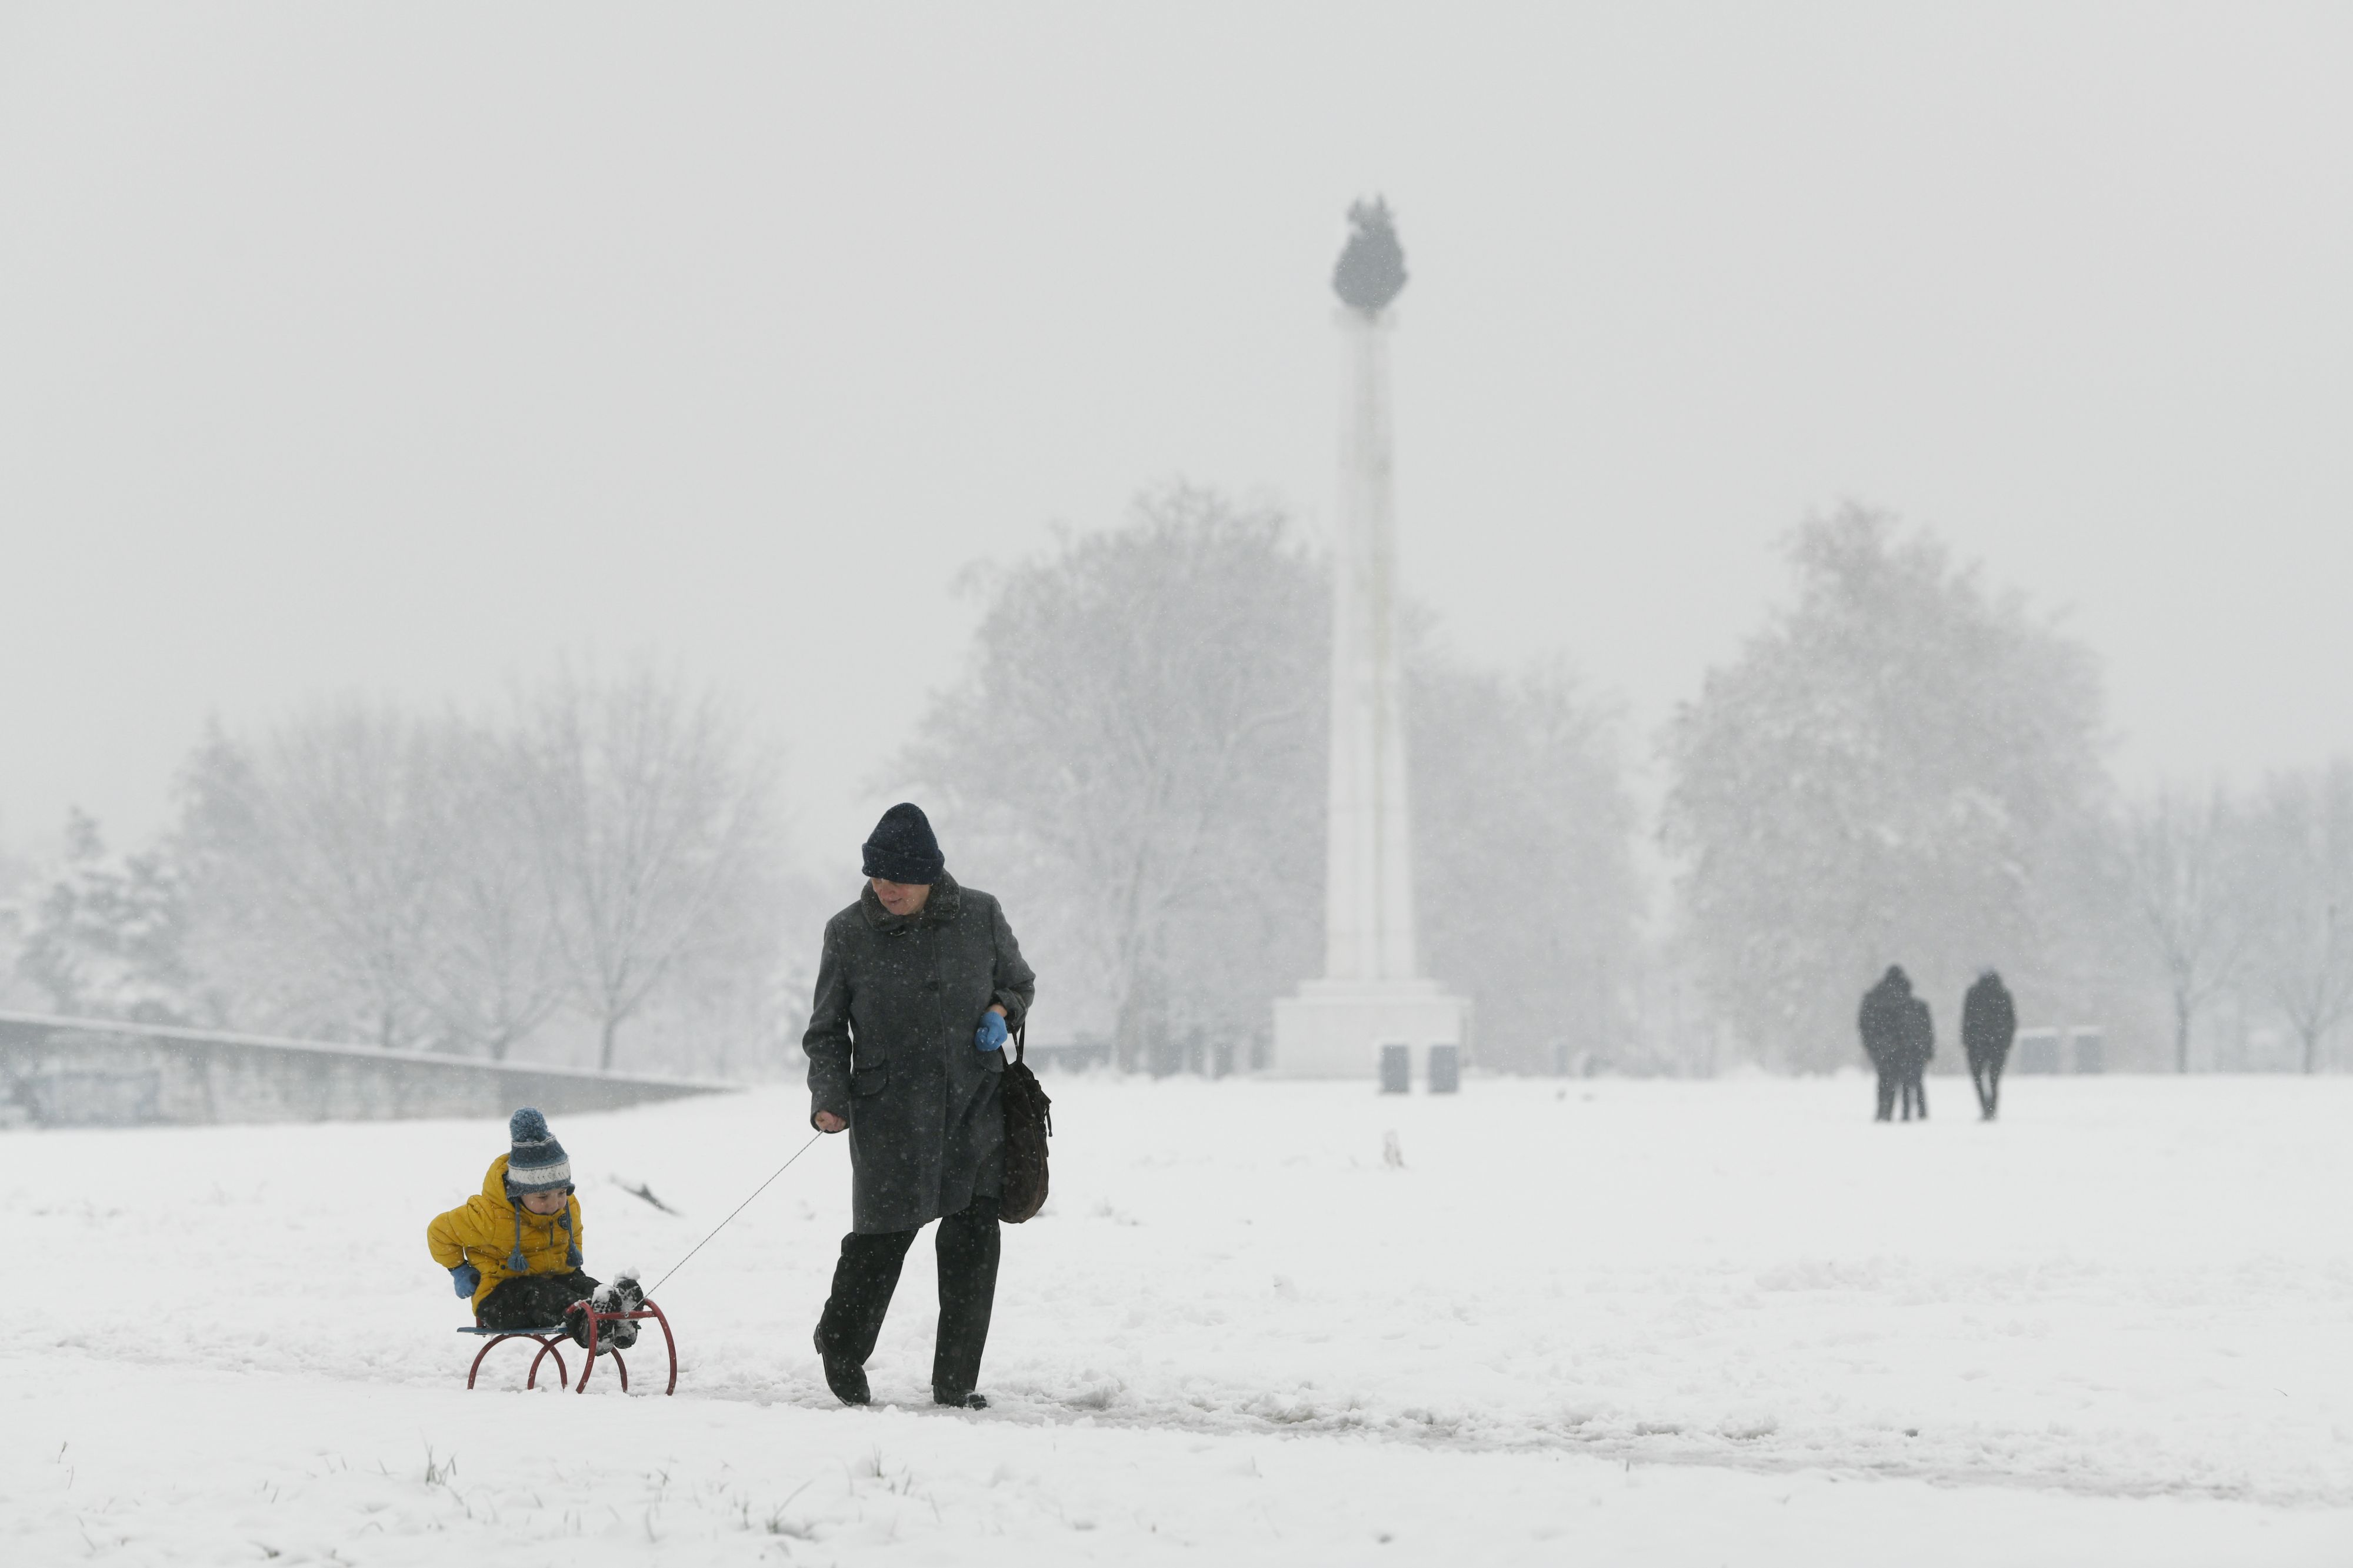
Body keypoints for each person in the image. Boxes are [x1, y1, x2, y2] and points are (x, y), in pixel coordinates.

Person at [805, 802, 1036, 1410]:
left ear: (930, 873)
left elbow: (1019, 982)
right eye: (877, 876)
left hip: (973, 1107)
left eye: (899, 877)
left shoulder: (980, 915)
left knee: (972, 1245)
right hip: (890, 1116)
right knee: (879, 1243)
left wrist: (1000, 1011)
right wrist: (829, 1098)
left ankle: (956, 1382)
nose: (886, 889)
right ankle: (841, 1345)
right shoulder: (848, 930)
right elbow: (827, 1031)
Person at [426, 1107, 640, 1348]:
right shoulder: (489, 1216)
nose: (555, 1203)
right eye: (542, 1197)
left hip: (555, 1279)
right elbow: (439, 1232)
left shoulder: (567, 1207)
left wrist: (570, 1264)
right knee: (544, 1294)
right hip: (502, 1297)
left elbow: (574, 1234)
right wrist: (458, 1269)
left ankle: (617, 1316)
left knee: (584, 1287)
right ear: (519, 1192)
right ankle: (587, 1323)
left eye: (561, 1192)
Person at [1962, 969, 2017, 1120]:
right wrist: (2007, 1040)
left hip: (1977, 1043)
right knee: (1994, 1078)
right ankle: (1992, 1106)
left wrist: (1967, 1040)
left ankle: (1985, 1105)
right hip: (1998, 1044)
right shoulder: (2003, 995)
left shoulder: (1973, 994)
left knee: (1978, 1077)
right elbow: (2011, 1021)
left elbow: (1967, 1019)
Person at [1858, 966, 1911, 1121]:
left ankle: (1883, 1109)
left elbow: (1864, 1021)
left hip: (1879, 1046)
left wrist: (1870, 1042)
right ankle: (1901, 1111)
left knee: (1884, 1078)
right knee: (1899, 1079)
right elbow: (1907, 1022)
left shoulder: (1874, 996)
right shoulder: (1903, 996)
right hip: (1898, 1045)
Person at [1898, 992, 1934, 1121]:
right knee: (1917, 1081)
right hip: (1918, 1050)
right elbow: (1928, 1030)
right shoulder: (1920, 1007)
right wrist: (1928, 1050)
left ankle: (1908, 1111)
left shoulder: (1899, 1008)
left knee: (1907, 1082)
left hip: (1905, 1050)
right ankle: (1921, 1110)